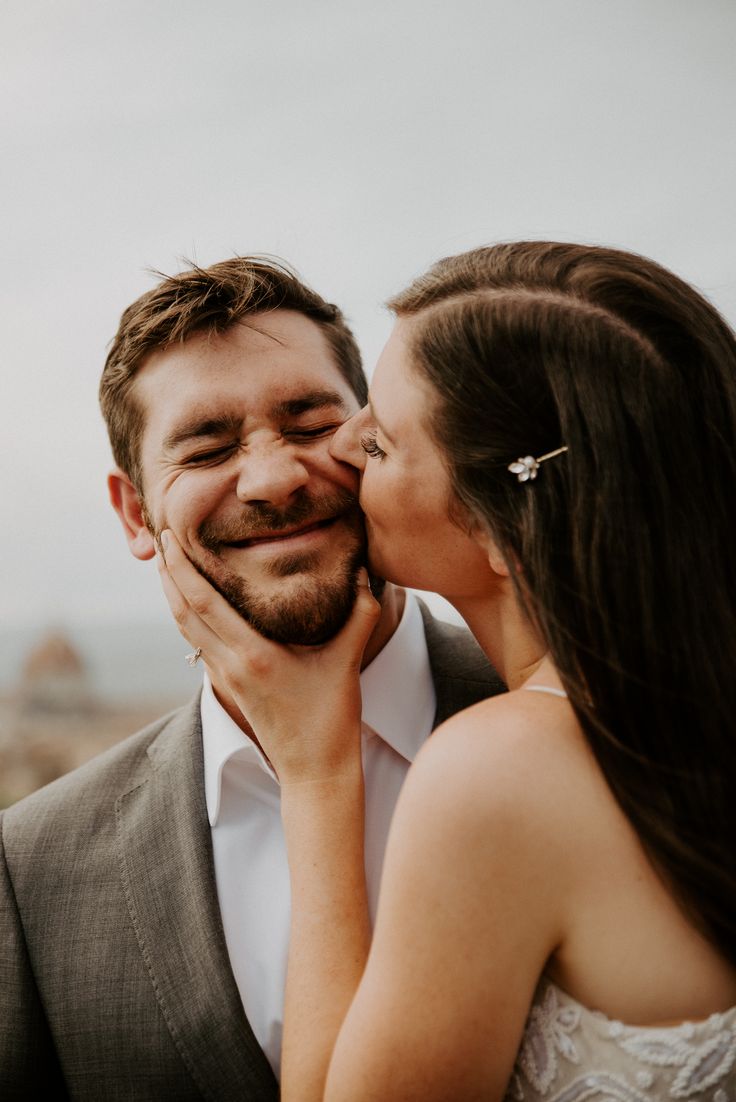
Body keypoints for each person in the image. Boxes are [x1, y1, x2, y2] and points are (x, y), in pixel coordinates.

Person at [157, 242, 736, 1100]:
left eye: (380, 441)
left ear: (505, 529)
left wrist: (314, 770)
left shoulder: (500, 769)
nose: (335, 454)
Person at [0, 257, 504, 1100]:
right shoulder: (31, 867)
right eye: (207, 446)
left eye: (310, 425)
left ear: (376, 438)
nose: (273, 480)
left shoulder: (593, 721)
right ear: (134, 513)